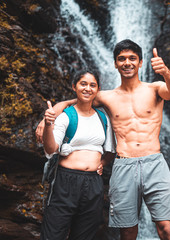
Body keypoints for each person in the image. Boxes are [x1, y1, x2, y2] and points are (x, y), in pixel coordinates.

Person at [36, 39, 170, 240]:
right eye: (121, 59)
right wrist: (50, 116)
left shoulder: (155, 88)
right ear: (115, 64)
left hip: (154, 163)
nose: (127, 62)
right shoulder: (106, 97)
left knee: (166, 228)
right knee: (128, 231)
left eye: (132, 58)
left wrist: (165, 71)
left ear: (140, 62)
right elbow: (81, 99)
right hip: (123, 166)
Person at [40, 70, 115, 240]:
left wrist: (102, 162)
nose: (88, 88)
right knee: (54, 232)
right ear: (74, 87)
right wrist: (48, 125)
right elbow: (51, 149)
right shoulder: (66, 117)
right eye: (83, 84)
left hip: (94, 182)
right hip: (66, 180)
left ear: (97, 90)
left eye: (92, 85)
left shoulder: (103, 118)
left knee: (85, 233)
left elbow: (110, 150)